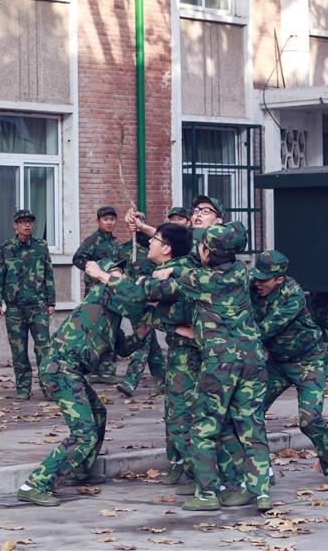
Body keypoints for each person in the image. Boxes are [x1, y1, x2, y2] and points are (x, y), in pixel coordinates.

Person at [147, 223, 272, 512]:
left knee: (204, 427)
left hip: (220, 363)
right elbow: (189, 271)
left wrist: (116, 278)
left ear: (207, 252)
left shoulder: (200, 280)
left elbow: (156, 288)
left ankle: (207, 494)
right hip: (253, 358)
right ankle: (261, 491)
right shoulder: (241, 272)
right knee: (251, 426)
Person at [17, 258, 148, 507]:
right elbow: (136, 298)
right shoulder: (103, 293)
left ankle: (79, 471)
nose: (121, 277)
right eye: (116, 273)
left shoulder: (111, 313)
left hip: (70, 370)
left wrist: (141, 334)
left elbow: (121, 348)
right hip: (61, 368)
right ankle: (35, 484)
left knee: (98, 414)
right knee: (84, 433)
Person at [250, 250, 328, 489]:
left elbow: (267, 328)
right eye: (256, 277)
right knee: (251, 414)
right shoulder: (252, 287)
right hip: (277, 364)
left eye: (264, 280)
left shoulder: (292, 295)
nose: (258, 283)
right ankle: (262, 470)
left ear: (279, 280)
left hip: (309, 362)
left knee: (310, 419)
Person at [133, 223, 198, 486]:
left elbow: (156, 307)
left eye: (155, 239)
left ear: (167, 248)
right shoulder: (163, 271)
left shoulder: (181, 271)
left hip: (192, 354)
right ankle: (178, 462)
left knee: (184, 411)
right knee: (172, 409)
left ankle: (198, 473)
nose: (150, 242)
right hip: (177, 351)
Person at [0, 209, 56, 401]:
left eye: (30, 222)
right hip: (14, 308)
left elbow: (48, 275)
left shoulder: (41, 246)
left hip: (38, 306)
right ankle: (23, 388)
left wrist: (51, 302)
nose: (27, 225)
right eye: (23, 222)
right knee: (18, 350)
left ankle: (48, 387)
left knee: (44, 348)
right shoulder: (6, 248)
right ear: (15, 225)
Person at [72, 206, 123, 384]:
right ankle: (91, 369)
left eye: (112, 219)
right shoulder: (92, 240)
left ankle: (107, 371)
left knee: (111, 330)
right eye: (105, 219)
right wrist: (95, 269)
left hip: (112, 293)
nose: (109, 222)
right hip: (95, 293)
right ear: (98, 221)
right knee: (93, 331)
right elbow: (78, 259)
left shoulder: (115, 243)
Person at [115, 227, 166, 398]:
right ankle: (163, 380)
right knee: (150, 343)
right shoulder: (124, 250)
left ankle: (130, 381)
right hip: (133, 300)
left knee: (143, 338)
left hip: (151, 300)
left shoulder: (155, 252)